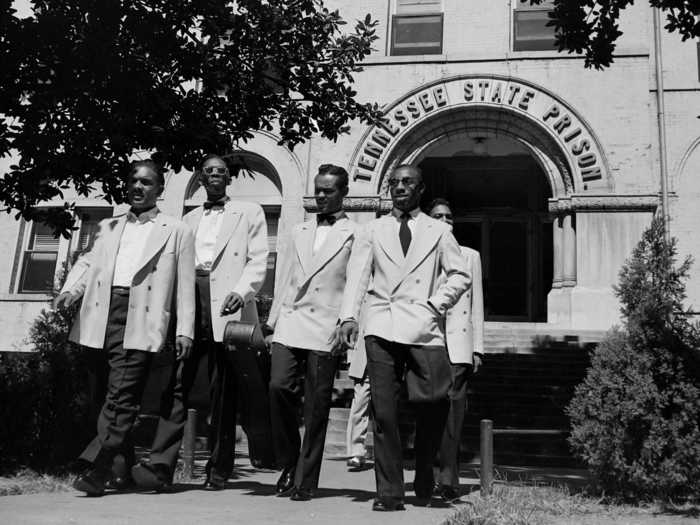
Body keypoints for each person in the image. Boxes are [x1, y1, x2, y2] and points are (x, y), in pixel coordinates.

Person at [54, 160, 195, 496]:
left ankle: (99, 470)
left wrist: (184, 329)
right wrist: (71, 290)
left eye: (146, 182)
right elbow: (89, 261)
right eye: (133, 181)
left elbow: (185, 285)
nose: (138, 187)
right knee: (103, 397)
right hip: (102, 314)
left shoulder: (177, 230)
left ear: (160, 190)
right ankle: (122, 472)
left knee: (121, 396)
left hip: (142, 317)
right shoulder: (109, 226)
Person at [339, 164, 470, 511]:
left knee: (433, 403)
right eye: (394, 182)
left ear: (421, 188)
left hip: (423, 329)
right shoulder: (373, 230)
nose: (400, 187)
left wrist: (435, 304)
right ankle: (390, 493)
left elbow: (459, 274)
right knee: (383, 413)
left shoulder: (438, 231)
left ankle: (425, 468)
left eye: (407, 182)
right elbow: (357, 276)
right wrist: (349, 316)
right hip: (381, 327)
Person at [136, 154, 269, 491]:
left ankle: (218, 468)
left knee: (223, 389)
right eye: (208, 171)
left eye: (221, 172)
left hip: (228, 304)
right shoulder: (187, 219)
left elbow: (257, 260)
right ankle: (162, 466)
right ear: (199, 177)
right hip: (190, 300)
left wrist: (243, 290)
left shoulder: (249, 212)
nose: (214, 176)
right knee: (176, 383)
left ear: (229, 178)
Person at [265, 164, 357, 501]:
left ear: (343, 193)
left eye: (328, 191)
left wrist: (348, 320)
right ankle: (289, 460)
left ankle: (305, 479)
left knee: (317, 406)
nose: (320, 196)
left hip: (325, 327)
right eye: (317, 190)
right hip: (291, 322)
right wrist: (272, 323)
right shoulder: (299, 229)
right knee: (277, 388)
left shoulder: (356, 233)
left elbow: (357, 282)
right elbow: (285, 278)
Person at [428, 198, 484, 503]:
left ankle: (448, 480)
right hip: (427, 343)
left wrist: (477, 349)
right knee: (428, 412)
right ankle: (427, 475)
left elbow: (476, 305)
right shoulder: (420, 255)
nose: (445, 220)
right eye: (438, 216)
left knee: (453, 415)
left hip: (459, 347)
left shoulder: (469, 256)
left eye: (449, 216)